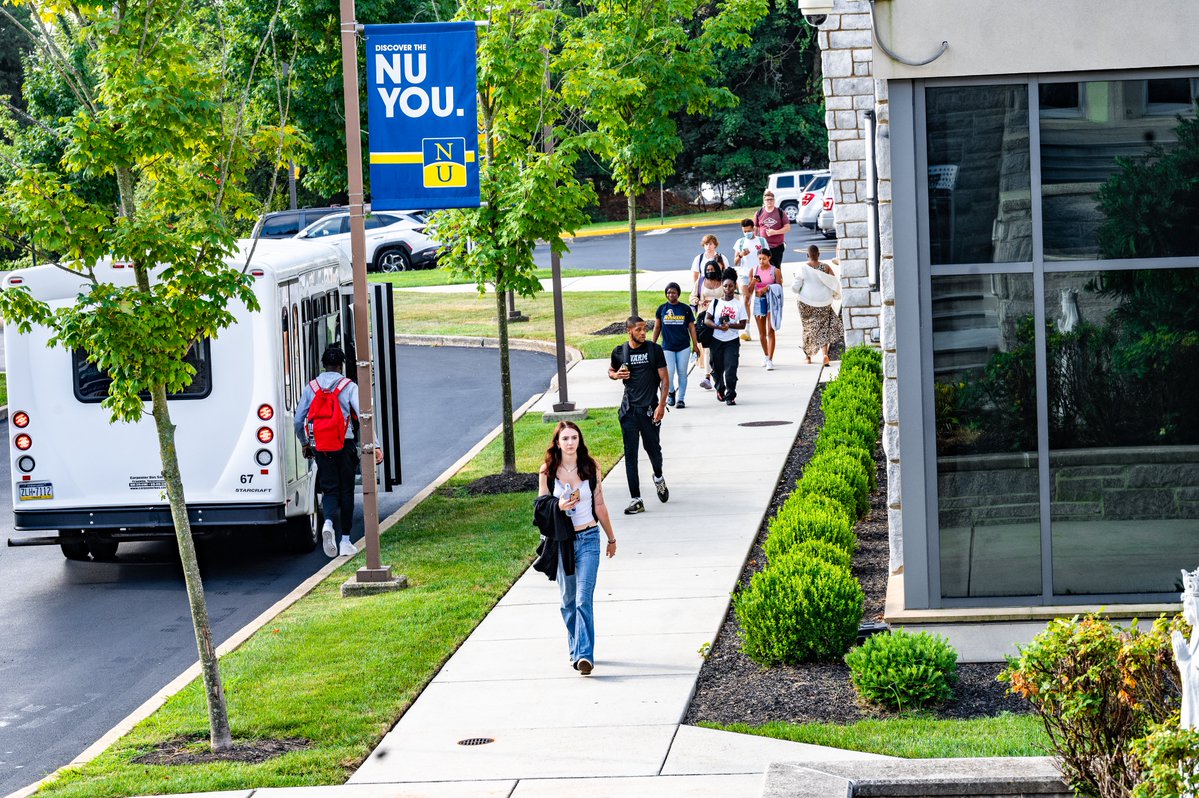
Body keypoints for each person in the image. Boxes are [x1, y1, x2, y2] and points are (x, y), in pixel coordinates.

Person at [536, 421, 617, 677]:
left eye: (574, 438)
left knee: (583, 599)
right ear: (557, 443)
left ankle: (584, 655)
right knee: (568, 601)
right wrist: (558, 505)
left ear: (579, 441)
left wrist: (611, 538)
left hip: (589, 538)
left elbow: (600, 504)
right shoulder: (548, 471)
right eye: (565, 439)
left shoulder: (590, 467)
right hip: (563, 543)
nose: (570, 443)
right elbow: (540, 507)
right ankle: (576, 648)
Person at [294, 344, 385, 558]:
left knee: (329, 489)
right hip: (344, 445)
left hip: (321, 446)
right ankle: (345, 540)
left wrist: (305, 443)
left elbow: (299, 420)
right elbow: (364, 415)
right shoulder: (348, 386)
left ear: (324, 365)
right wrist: (376, 444)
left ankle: (327, 523)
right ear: (341, 366)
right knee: (346, 491)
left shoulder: (312, 387)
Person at [608, 316, 670, 514]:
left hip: (650, 410)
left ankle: (658, 477)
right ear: (629, 331)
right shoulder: (620, 352)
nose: (643, 333)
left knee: (653, 451)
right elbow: (611, 370)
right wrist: (616, 375)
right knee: (631, 456)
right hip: (628, 412)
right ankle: (636, 499)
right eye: (639, 330)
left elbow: (665, 379)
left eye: (644, 329)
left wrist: (661, 405)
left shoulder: (654, 350)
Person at [792, 244, 844, 366]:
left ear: (807, 255)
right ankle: (825, 355)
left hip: (806, 303)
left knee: (808, 328)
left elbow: (795, 288)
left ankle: (808, 356)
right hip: (824, 302)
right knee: (823, 327)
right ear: (819, 254)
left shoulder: (803, 268)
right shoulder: (826, 267)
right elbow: (833, 283)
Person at [704, 269, 748, 406]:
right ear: (722, 286)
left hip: (731, 341)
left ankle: (730, 395)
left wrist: (730, 325)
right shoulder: (716, 303)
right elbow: (707, 320)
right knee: (716, 370)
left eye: (730, 286)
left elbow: (742, 325)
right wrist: (718, 327)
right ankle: (720, 389)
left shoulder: (739, 304)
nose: (728, 289)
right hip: (716, 340)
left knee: (730, 369)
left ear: (735, 286)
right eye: (725, 286)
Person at [652, 282, 699, 409]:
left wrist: (695, 345)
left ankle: (681, 399)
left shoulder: (685, 309)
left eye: (673, 292)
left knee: (682, 372)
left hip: (683, 346)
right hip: (667, 346)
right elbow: (657, 327)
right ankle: (671, 392)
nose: (670, 294)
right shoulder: (662, 309)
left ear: (678, 293)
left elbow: (692, 328)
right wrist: (652, 344)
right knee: (669, 372)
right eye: (668, 292)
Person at [690, 259, 725, 391]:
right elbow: (692, 297)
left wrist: (717, 302)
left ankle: (718, 375)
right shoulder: (700, 282)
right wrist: (699, 301)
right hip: (704, 319)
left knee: (719, 348)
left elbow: (732, 297)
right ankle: (707, 377)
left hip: (719, 318)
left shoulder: (722, 282)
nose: (710, 272)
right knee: (707, 348)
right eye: (707, 270)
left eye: (712, 270)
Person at [733, 218, 769, 338]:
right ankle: (746, 329)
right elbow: (736, 261)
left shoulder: (762, 241)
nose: (747, 233)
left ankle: (765, 328)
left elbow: (768, 258)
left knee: (762, 302)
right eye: (744, 231)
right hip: (744, 275)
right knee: (746, 300)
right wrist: (741, 255)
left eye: (749, 230)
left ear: (753, 229)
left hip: (760, 275)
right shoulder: (740, 242)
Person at [748, 249, 784, 371]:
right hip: (759, 301)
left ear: (769, 258)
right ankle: (765, 355)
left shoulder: (775, 271)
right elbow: (749, 290)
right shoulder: (754, 270)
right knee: (762, 333)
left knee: (771, 331)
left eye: (764, 258)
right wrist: (753, 281)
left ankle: (770, 359)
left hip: (771, 301)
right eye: (759, 259)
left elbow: (779, 288)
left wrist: (767, 287)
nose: (761, 261)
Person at [755, 190, 792, 270]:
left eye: (771, 199)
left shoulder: (780, 212)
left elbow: (787, 228)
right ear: (764, 201)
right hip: (764, 246)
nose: (769, 201)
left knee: (776, 267)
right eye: (767, 200)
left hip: (777, 246)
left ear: (774, 201)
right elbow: (756, 228)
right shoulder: (759, 213)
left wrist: (775, 232)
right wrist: (755, 240)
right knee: (764, 267)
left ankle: (778, 282)